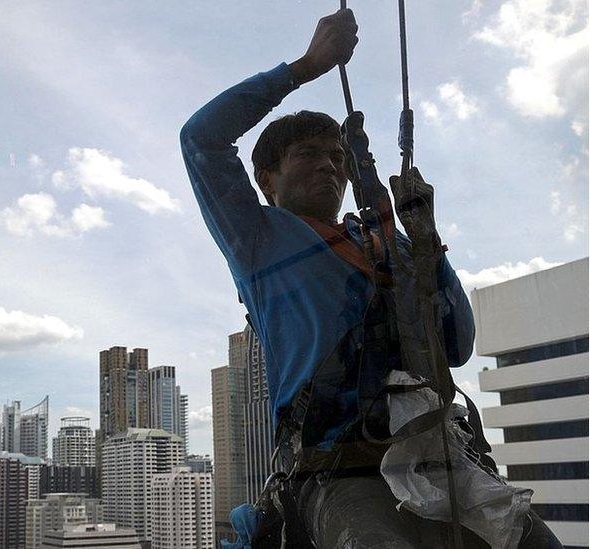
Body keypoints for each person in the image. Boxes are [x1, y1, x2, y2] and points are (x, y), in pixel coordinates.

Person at [180, 9, 563, 548]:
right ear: (265, 178)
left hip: (437, 458)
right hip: (337, 470)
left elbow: (455, 345)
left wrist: (425, 242)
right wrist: (307, 67)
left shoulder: (381, 241)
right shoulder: (260, 239)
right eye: (307, 154)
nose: (330, 165)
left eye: (337, 156)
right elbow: (201, 139)